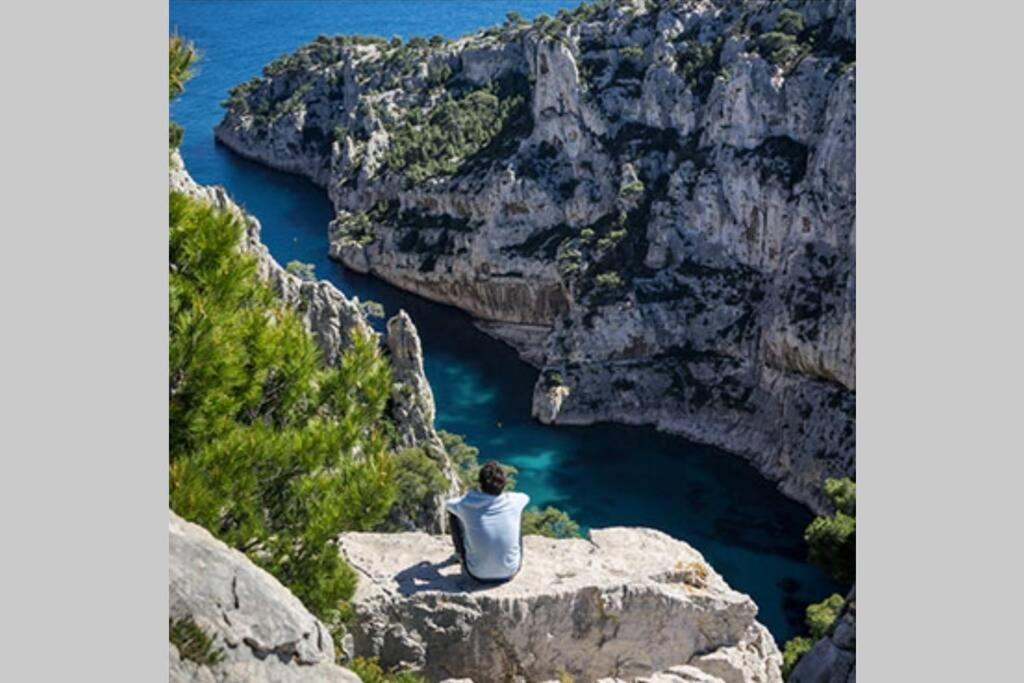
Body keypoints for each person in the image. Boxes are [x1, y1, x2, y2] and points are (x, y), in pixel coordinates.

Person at [446, 460, 529, 583]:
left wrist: (470, 497)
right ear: (504, 484)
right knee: (517, 514)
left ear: (480, 484)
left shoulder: (465, 505)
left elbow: (448, 505)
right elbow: (526, 497)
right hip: (510, 570)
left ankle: (459, 554)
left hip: (477, 573)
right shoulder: (515, 501)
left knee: (454, 514)